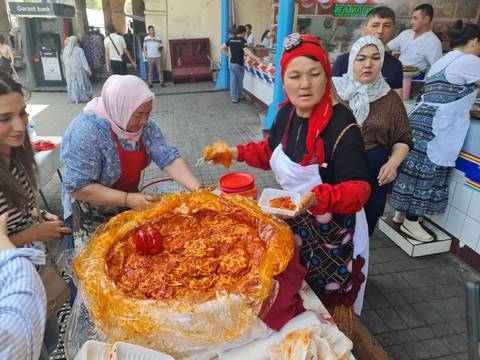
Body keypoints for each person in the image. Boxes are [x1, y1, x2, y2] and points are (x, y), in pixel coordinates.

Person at [206, 33, 371, 336]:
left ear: (326, 77)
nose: (304, 84)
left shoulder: (341, 127)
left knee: (326, 305)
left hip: (333, 234)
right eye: (295, 76)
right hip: (294, 221)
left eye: (314, 74)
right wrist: (233, 153)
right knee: (294, 289)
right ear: (284, 79)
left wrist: (316, 198)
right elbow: (270, 152)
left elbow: (359, 189)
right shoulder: (286, 113)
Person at [61, 75, 201, 252]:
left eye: (148, 112)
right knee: (98, 258)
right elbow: (78, 188)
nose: (144, 120)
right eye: (137, 114)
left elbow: (168, 158)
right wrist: (127, 199)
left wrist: (198, 191)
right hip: (90, 208)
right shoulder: (86, 131)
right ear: (120, 108)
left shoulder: (147, 127)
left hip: (128, 200)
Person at [391, 21, 480, 242]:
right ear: (476, 42)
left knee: (414, 169)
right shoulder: (470, 60)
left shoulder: (445, 59)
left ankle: (400, 215)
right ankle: (412, 222)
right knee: (427, 172)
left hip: (422, 121)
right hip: (437, 126)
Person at [333, 36, 412, 236]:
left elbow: (403, 138)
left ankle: (358, 262)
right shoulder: (334, 90)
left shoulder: (390, 98)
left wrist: (393, 164)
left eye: (375, 58)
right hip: (336, 168)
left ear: (382, 62)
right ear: (352, 61)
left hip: (374, 173)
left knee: (364, 226)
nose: (368, 64)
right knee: (333, 224)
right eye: (361, 59)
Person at [0, 213, 46, 360]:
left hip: (37, 267)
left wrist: (39, 213)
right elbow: (22, 312)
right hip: (19, 283)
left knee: (49, 339)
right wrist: (35, 233)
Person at [333, 6, 403, 95]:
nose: (380, 31)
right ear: (364, 29)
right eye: (375, 25)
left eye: (386, 26)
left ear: (393, 30)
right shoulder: (343, 61)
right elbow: (332, 97)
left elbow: (397, 101)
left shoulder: (395, 65)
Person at [387, 3, 442, 78]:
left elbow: (437, 69)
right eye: (412, 18)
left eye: (415, 18)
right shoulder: (406, 33)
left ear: (426, 19)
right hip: (396, 75)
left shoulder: (434, 42)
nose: (411, 22)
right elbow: (387, 47)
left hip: (416, 80)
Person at [221, 25, 261, 104]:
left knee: (233, 81)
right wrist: (256, 58)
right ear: (243, 32)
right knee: (239, 81)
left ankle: (234, 98)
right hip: (239, 64)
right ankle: (239, 96)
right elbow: (246, 51)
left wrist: (228, 55)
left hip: (231, 63)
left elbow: (222, 47)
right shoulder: (242, 40)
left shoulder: (231, 39)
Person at [62, 36, 93, 104]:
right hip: (79, 70)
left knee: (73, 83)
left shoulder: (65, 50)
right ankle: (84, 96)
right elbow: (83, 61)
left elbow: (64, 60)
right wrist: (88, 70)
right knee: (81, 82)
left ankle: (75, 98)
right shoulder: (79, 50)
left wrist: (67, 68)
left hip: (69, 70)